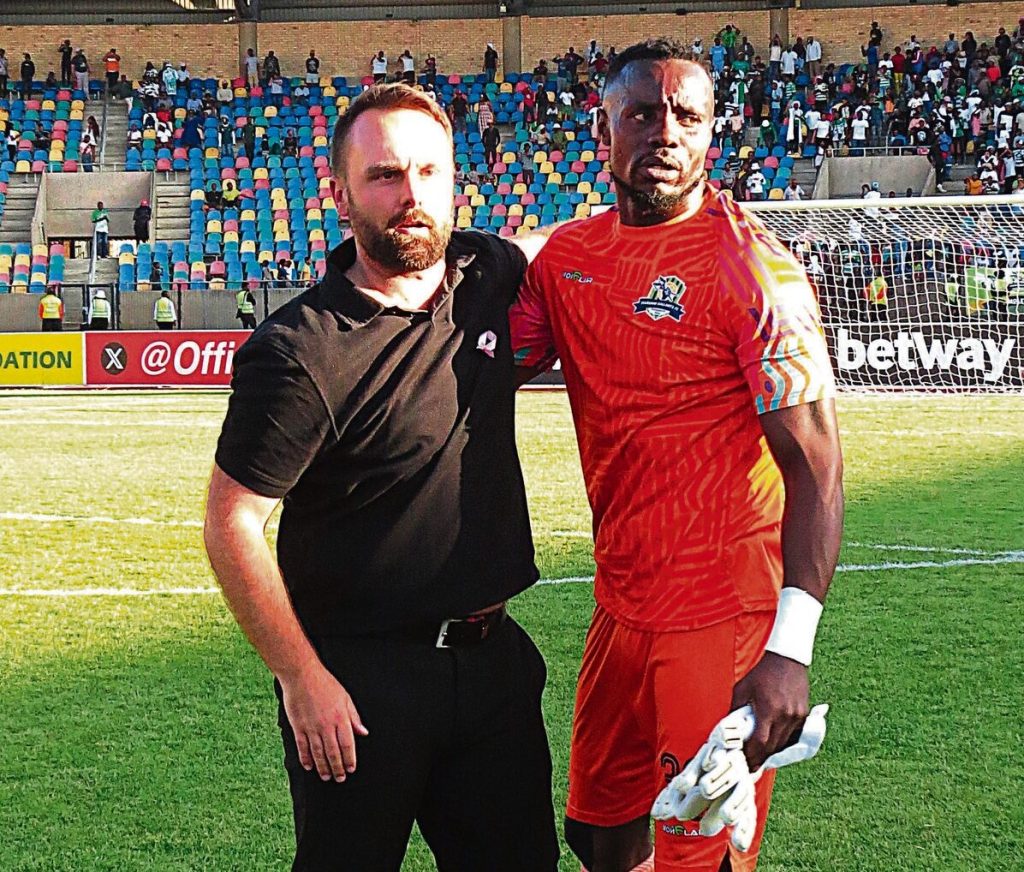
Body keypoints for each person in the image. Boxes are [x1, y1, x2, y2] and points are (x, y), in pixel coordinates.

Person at [203, 83, 561, 872]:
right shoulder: (299, 350)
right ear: (339, 194)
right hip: (359, 686)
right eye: (386, 176)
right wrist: (301, 679)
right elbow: (232, 523)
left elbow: (565, 245)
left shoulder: (487, 274)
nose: (412, 196)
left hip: (494, 667)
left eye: (430, 174)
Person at [509, 39, 844, 872]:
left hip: (718, 614)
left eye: (687, 118)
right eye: (643, 113)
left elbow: (817, 465)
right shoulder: (569, 261)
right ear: (604, 128)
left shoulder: (754, 272)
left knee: (697, 853)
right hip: (620, 605)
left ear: (710, 137)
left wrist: (789, 649)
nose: (665, 133)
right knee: (597, 835)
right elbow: (480, 369)